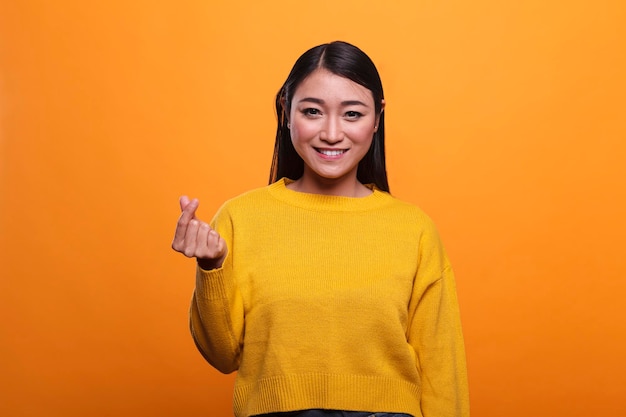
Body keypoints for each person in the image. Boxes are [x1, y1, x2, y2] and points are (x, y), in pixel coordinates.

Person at [172, 41, 470, 417]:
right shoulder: (239, 218)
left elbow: (443, 369)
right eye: (312, 111)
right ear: (286, 111)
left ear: (377, 119)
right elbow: (222, 355)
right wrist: (212, 268)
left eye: (352, 114)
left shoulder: (415, 230)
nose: (331, 133)